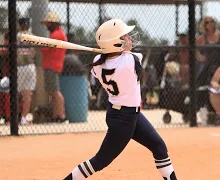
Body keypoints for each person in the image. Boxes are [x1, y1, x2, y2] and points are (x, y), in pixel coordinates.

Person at [64, 19, 177, 180]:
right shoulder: (131, 61)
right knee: (100, 161)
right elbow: (131, 58)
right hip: (123, 119)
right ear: (115, 43)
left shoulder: (97, 63)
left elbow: (108, 60)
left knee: (159, 147)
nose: (129, 39)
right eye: (124, 37)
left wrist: (109, 52)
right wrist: (114, 52)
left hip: (126, 114)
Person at [40, 12, 67, 123]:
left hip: (52, 66)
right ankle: (56, 115)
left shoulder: (57, 34)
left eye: (48, 24)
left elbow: (45, 48)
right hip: (50, 65)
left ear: (54, 24)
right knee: (52, 91)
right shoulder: (55, 34)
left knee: (55, 92)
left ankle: (61, 115)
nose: (46, 26)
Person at [17, 17, 36, 125]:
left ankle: (15, 117)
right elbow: (33, 52)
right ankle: (23, 118)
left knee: (17, 93)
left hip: (19, 66)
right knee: (28, 93)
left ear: (19, 25)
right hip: (29, 66)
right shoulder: (32, 36)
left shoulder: (16, 36)